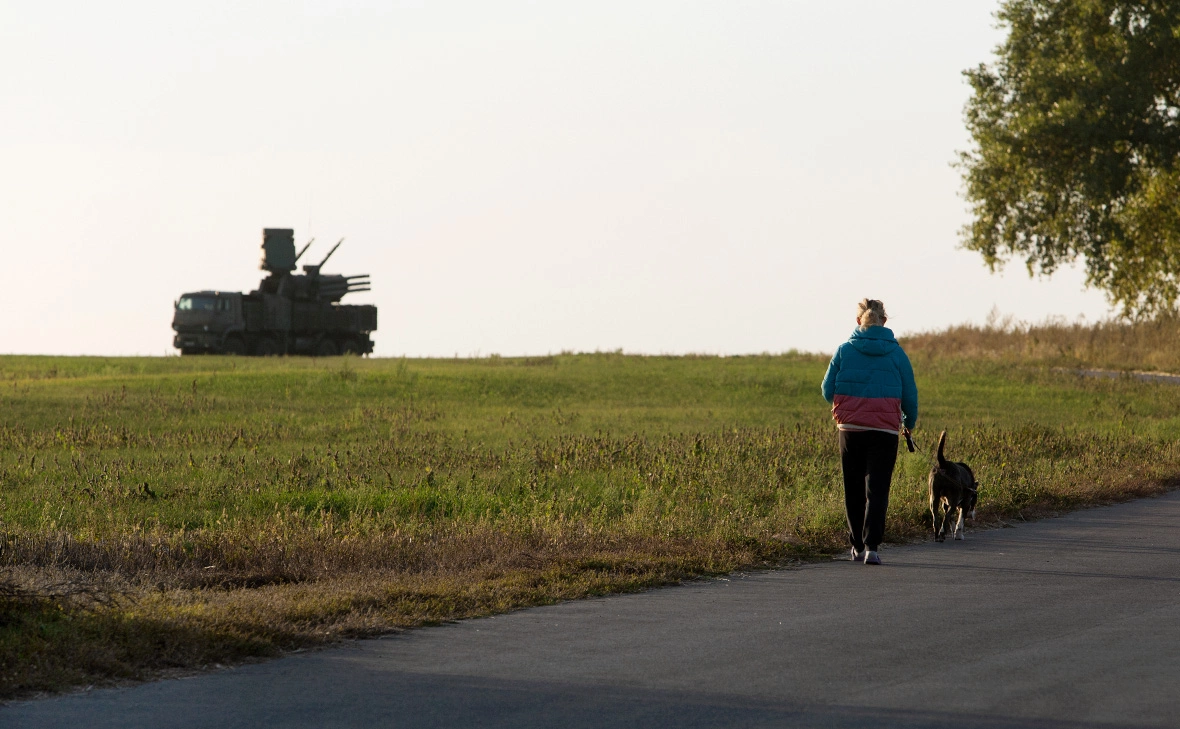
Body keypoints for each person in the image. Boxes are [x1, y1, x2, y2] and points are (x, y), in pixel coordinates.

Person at [820, 298, 918, 565]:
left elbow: (827, 390)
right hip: (885, 431)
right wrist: (909, 423)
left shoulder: (843, 351)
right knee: (877, 489)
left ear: (858, 321)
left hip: (850, 429)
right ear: (884, 322)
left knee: (853, 487)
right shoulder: (897, 354)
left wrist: (850, 405)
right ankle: (872, 547)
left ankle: (856, 546)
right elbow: (910, 394)